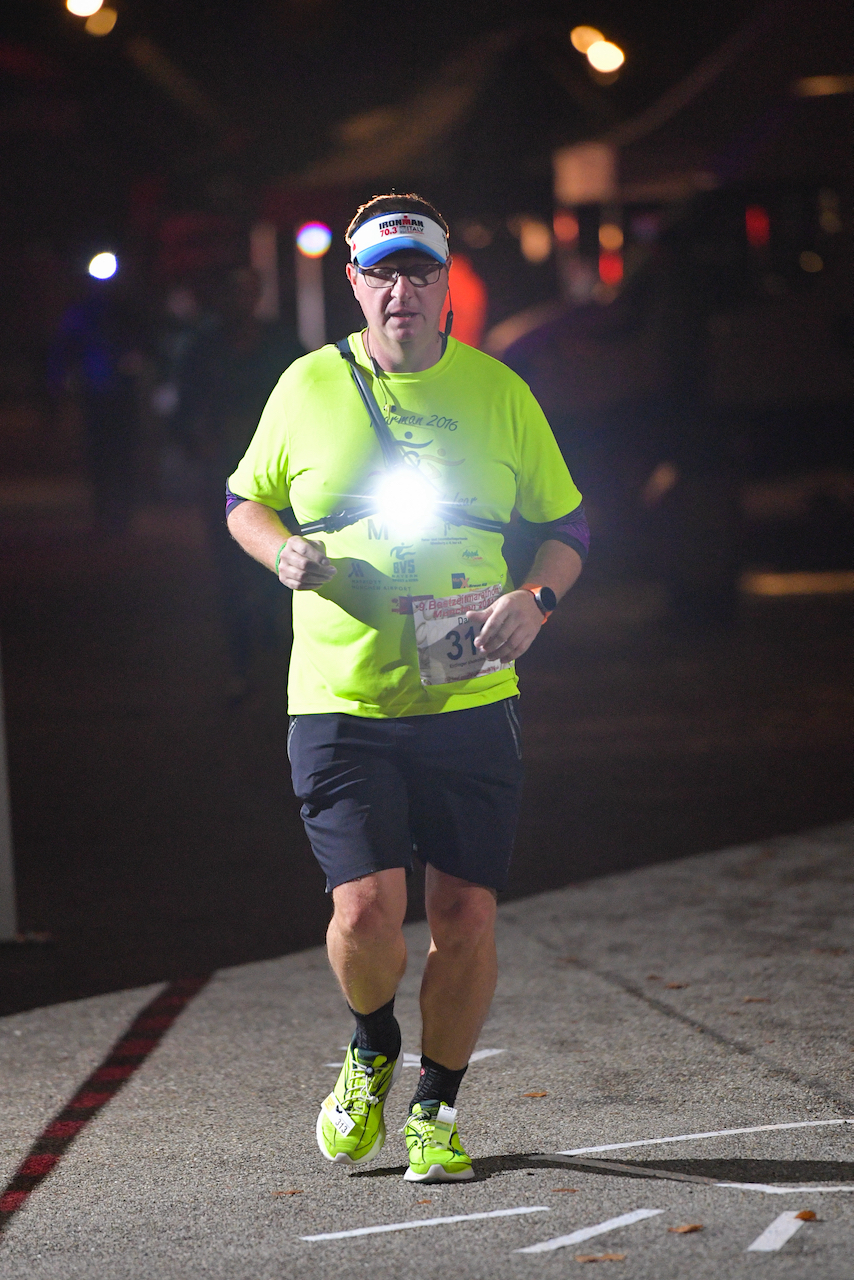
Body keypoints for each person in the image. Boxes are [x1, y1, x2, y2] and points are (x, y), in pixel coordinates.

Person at [225, 194, 589, 1182]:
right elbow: (242, 501)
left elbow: (568, 525)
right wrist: (282, 552)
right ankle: (370, 1038)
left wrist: (537, 596)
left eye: (415, 272)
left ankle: (433, 1105)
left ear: (442, 285)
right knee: (363, 913)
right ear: (354, 283)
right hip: (340, 699)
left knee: (466, 912)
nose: (398, 291)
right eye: (380, 273)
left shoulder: (498, 391)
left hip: (468, 701)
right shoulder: (305, 386)